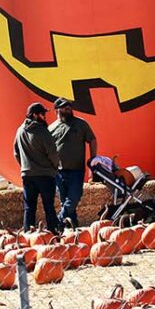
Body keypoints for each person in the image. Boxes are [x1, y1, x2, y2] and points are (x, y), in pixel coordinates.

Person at [49, 98, 97, 229]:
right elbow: (45, 149)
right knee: (65, 200)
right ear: (57, 110)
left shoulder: (81, 124)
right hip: (58, 171)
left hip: (76, 170)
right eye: (64, 107)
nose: (68, 108)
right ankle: (72, 227)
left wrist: (93, 159)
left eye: (69, 106)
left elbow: (92, 140)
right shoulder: (51, 128)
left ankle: (58, 221)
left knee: (74, 197)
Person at [13, 102, 61, 234]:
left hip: (27, 175)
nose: (45, 117)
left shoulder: (20, 130)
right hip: (45, 175)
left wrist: (25, 166)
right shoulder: (42, 131)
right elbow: (52, 152)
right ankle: (53, 232)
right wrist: (55, 166)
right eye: (42, 114)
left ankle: (28, 233)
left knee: (29, 207)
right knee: (48, 206)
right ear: (34, 115)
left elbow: (16, 153)